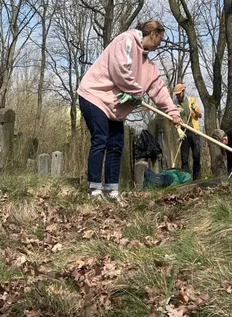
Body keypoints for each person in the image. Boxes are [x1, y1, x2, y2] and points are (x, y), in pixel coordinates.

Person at [77, 20, 183, 200]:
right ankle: (93, 189)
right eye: (160, 39)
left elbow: (159, 90)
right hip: (94, 96)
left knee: (117, 144)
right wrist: (136, 92)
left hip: (114, 108)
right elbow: (120, 70)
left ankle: (111, 190)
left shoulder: (149, 66)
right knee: (101, 140)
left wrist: (173, 113)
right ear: (153, 33)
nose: (160, 44)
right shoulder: (126, 40)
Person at [173, 84, 202, 180]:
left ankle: (197, 179)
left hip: (194, 131)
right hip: (183, 132)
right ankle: (186, 179)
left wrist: (194, 109)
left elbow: (200, 115)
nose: (177, 96)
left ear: (183, 91)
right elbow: (172, 118)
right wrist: (178, 129)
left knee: (196, 156)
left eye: (178, 93)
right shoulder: (174, 103)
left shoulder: (192, 100)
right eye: (176, 94)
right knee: (184, 158)